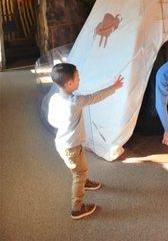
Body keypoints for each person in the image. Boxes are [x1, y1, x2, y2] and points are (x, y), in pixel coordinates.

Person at [48, 62, 124, 220]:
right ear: (69, 83)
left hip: (63, 144)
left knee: (79, 166)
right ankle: (77, 208)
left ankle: (84, 181)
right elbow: (96, 97)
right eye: (78, 78)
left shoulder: (55, 98)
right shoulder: (75, 101)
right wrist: (114, 87)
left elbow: (52, 121)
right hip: (71, 146)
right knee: (79, 173)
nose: (79, 80)